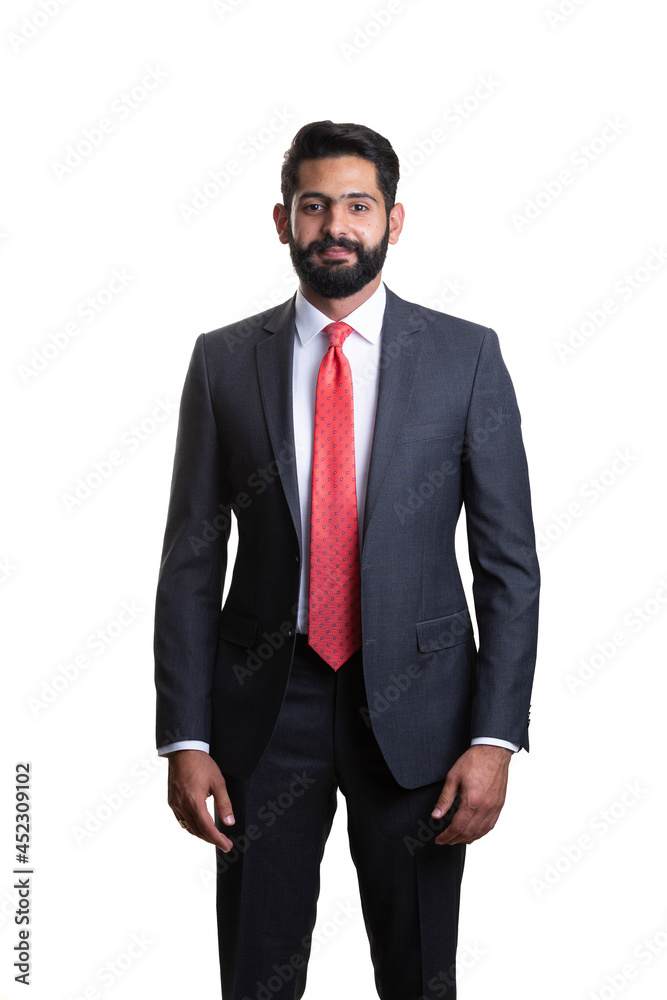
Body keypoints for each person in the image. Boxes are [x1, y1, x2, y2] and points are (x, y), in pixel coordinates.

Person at [153, 119, 540, 1000]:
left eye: (357, 205)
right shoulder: (222, 362)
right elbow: (189, 559)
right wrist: (185, 735)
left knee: (416, 977)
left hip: (422, 716)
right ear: (282, 220)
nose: (336, 224)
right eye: (314, 204)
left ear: (393, 222)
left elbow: (508, 565)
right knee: (257, 974)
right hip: (262, 707)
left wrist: (494, 737)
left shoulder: (464, 357)